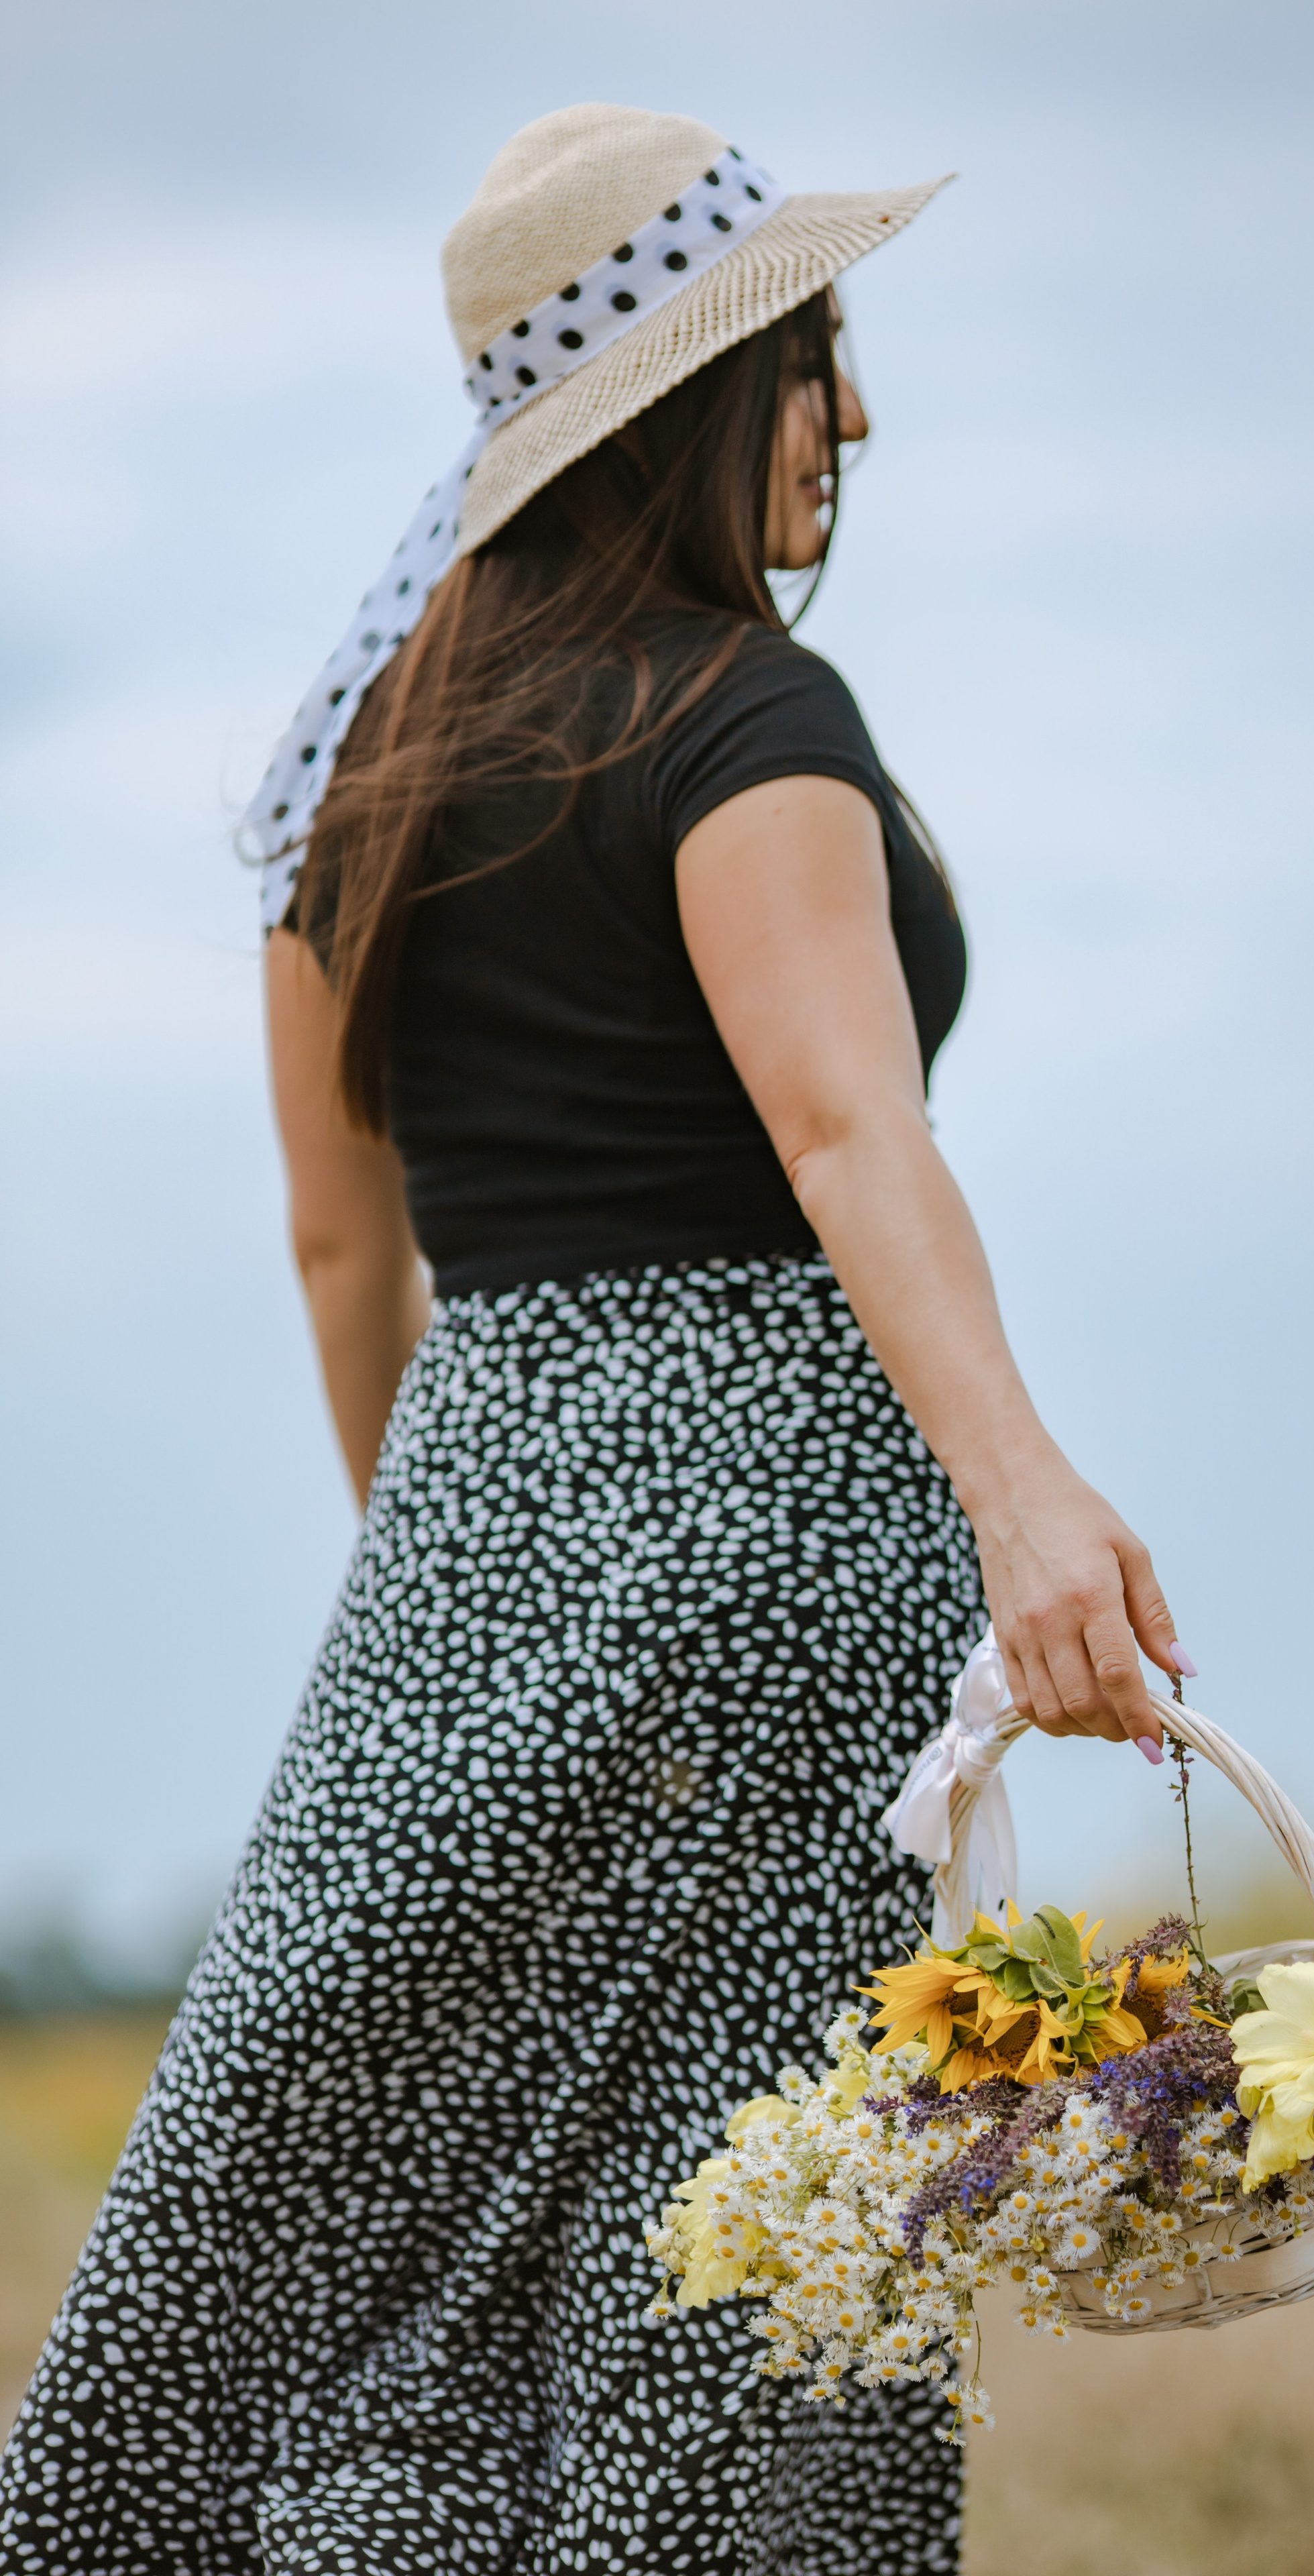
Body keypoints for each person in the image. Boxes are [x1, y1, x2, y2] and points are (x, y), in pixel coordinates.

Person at [0, 103, 1193, 2576]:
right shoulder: (752, 723)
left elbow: (351, 1258)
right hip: (781, 1560)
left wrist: (463, 1602)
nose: (852, 422)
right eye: (824, 357)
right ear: (704, 386)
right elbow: (852, 1137)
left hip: (468, 1545)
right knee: (746, 2250)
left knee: (359, 2231)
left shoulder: (363, 779)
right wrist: (1030, 1496)